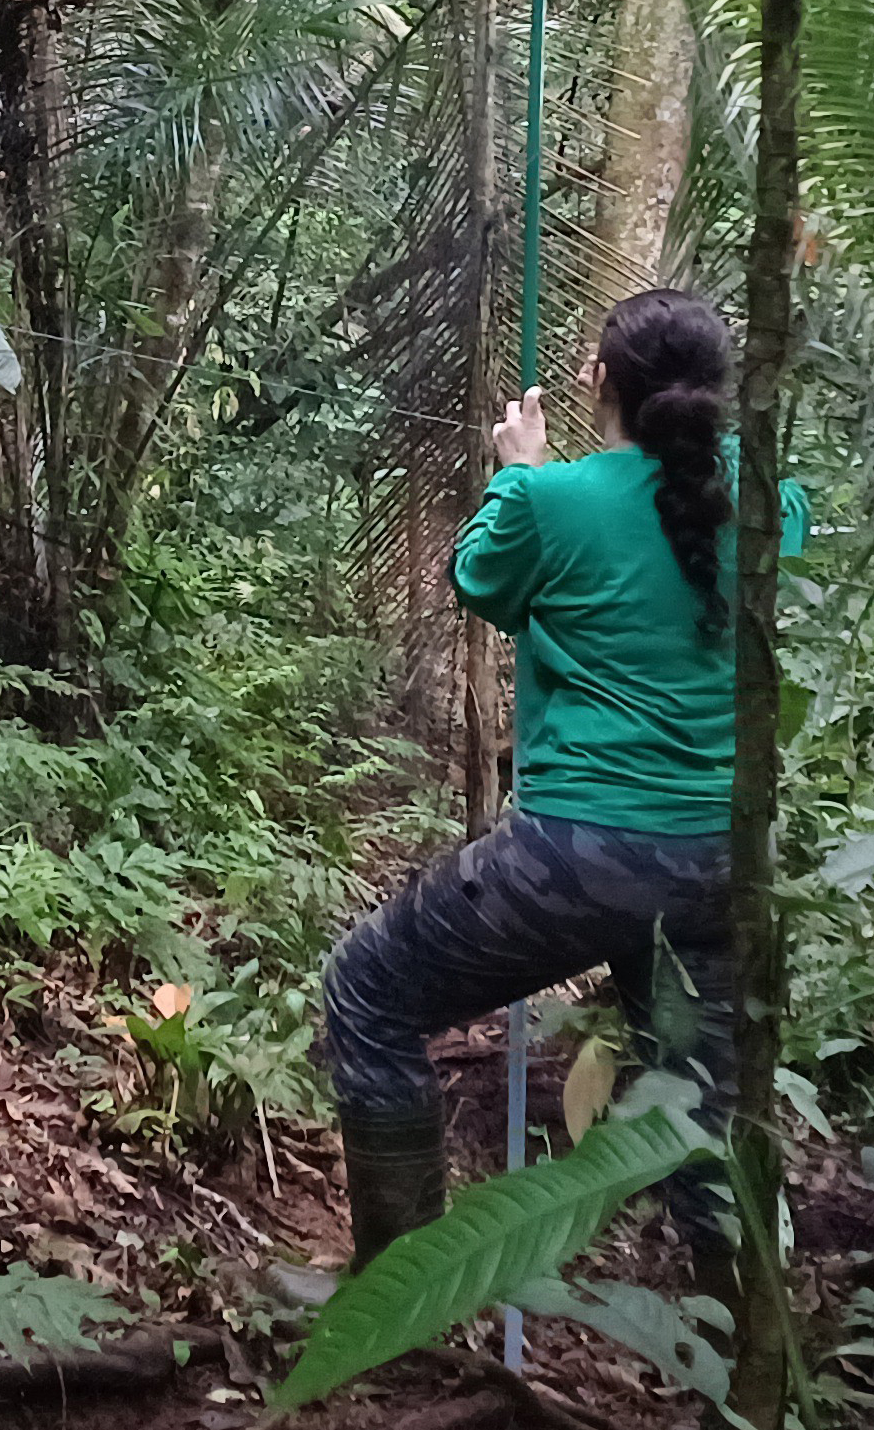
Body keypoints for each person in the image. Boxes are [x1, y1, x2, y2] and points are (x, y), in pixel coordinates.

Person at [318, 287, 808, 1284]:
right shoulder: (766, 503)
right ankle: (746, 1343)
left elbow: (479, 581)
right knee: (702, 1103)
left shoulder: (551, 499)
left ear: (599, 382)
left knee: (367, 988)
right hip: (725, 859)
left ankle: (397, 1294)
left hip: (581, 853)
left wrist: (519, 469)